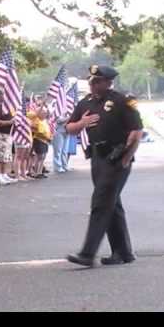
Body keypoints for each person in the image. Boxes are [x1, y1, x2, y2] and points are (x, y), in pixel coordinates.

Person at [65, 65, 143, 267]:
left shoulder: (122, 101)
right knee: (112, 204)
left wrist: (126, 158)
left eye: (97, 81)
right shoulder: (86, 103)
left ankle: (87, 253)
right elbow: (69, 128)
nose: (93, 85)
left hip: (117, 157)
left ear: (108, 82)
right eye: (91, 81)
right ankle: (123, 252)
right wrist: (82, 123)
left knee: (100, 203)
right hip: (97, 158)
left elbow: (137, 131)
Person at [0, 90, 16, 185]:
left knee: (5, 156)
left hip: (7, 134)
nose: (4, 96)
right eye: (2, 94)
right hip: (0, 134)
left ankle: (3, 174)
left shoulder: (5, 106)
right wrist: (10, 122)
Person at [29, 106, 52, 179]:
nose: (45, 114)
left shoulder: (44, 120)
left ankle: (40, 172)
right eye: (44, 112)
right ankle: (36, 173)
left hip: (45, 140)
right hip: (39, 140)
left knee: (43, 157)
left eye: (45, 113)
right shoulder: (36, 120)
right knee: (39, 157)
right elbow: (38, 132)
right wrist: (47, 138)